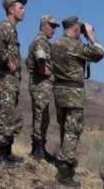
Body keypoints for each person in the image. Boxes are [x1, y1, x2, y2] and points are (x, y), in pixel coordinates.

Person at [51, 16, 104, 187]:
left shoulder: (56, 44)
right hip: (73, 92)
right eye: (80, 29)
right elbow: (99, 53)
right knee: (72, 130)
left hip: (59, 91)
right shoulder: (75, 45)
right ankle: (65, 173)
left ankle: (62, 163)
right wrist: (90, 36)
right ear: (76, 29)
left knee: (64, 129)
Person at [0, 0, 27, 167]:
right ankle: (0, 158)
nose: (24, 11)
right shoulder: (4, 26)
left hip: (12, 81)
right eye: (20, 7)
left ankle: (7, 154)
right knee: (5, 116)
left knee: (12, 116)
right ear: (11, 9)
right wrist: (7, 62)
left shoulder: (12, 29)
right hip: (5, 81)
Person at [26, 14, 59, 161]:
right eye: (51, 26)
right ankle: (38, 150)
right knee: (40, 116)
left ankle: (39, 147)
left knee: (43, 116)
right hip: (40, 85)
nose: (53, 30)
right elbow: (40, 56)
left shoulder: (44, 41)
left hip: (43, 85)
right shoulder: (40, 40)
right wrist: (43, 69)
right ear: (43, 25)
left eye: (55, 27)